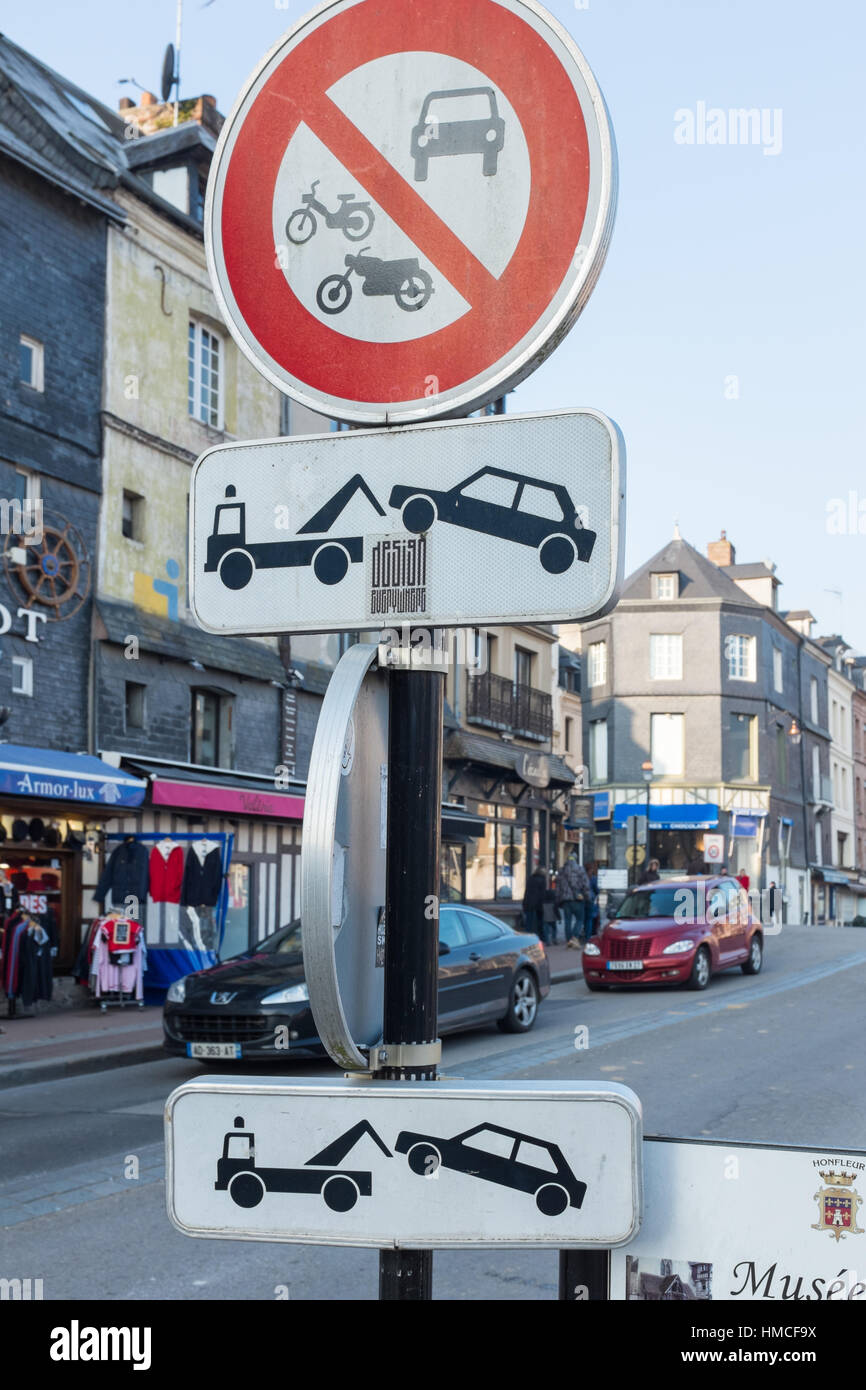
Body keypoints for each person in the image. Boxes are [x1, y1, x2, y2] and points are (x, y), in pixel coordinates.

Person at [556, 851, 591, 949]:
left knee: (567, 921)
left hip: (566, 900)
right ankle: (574, 938)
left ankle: (568, 940)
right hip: (577, 899)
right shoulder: (580, 869)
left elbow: (558, 888)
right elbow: (585, 885)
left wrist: (558, 900)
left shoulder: (561, 871)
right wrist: (588, 897)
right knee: (580, 919)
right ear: (576, 859)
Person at [522, 865, 547, 941]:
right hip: (538, 904)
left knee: (528, 923)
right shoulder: (542, 880)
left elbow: (527, 892)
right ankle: (541, 938)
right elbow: (542, 893)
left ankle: (527, 938)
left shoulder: (531, 878)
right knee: (539, 923)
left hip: (528, 903)